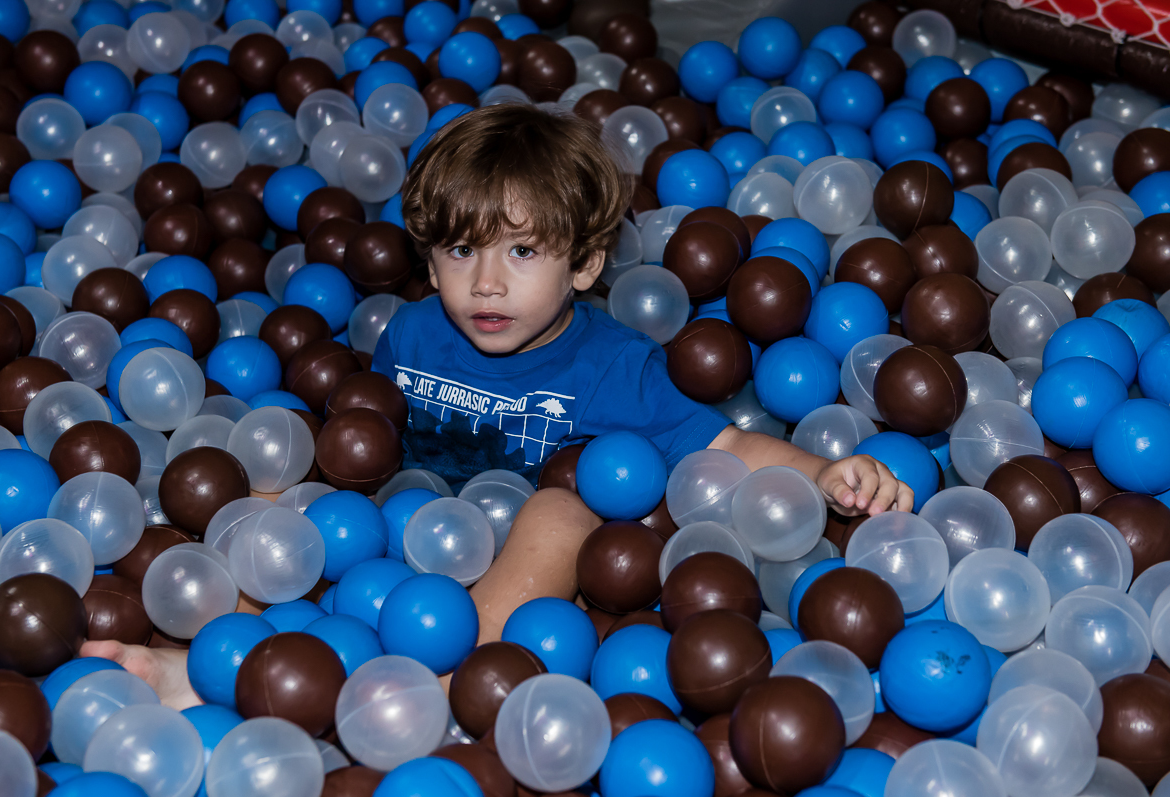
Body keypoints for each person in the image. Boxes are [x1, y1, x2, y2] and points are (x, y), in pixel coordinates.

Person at [83, 102, 911, 707]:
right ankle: (215, 657)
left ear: (585, 265)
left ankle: (446, 678)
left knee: (564, 509)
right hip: (396, 533)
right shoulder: (412, 331)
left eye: (522, 251)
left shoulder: (615, 365)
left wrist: (828, 470)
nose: (485, 281)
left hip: (517, 564)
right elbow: (368, 448)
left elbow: (726, 449)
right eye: (459, 249)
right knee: (284, 478)